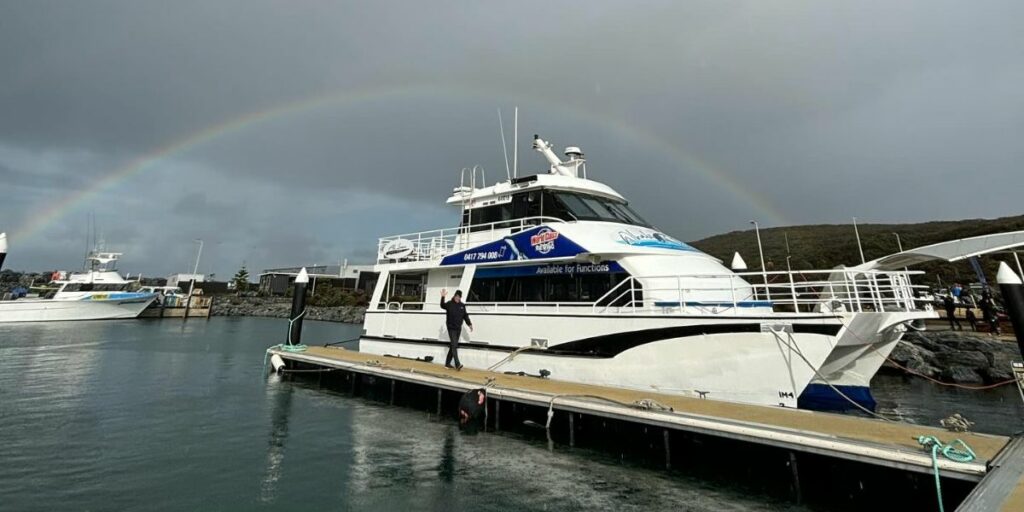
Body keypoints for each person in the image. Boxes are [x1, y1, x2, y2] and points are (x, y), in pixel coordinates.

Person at [440, 289, 473, 370]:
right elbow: (442, 305)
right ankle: (457, 364)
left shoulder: (462, 305)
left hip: (458, 328)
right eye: (456, 296)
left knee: (453, 345)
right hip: (451, 327)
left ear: (460, 297)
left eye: (459, 297)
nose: (457, 298)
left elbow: (465, 315)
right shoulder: (449, 304)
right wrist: (443, 297)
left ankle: (447, 364)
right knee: (454, 345)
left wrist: (469, 324)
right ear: (454, 296)